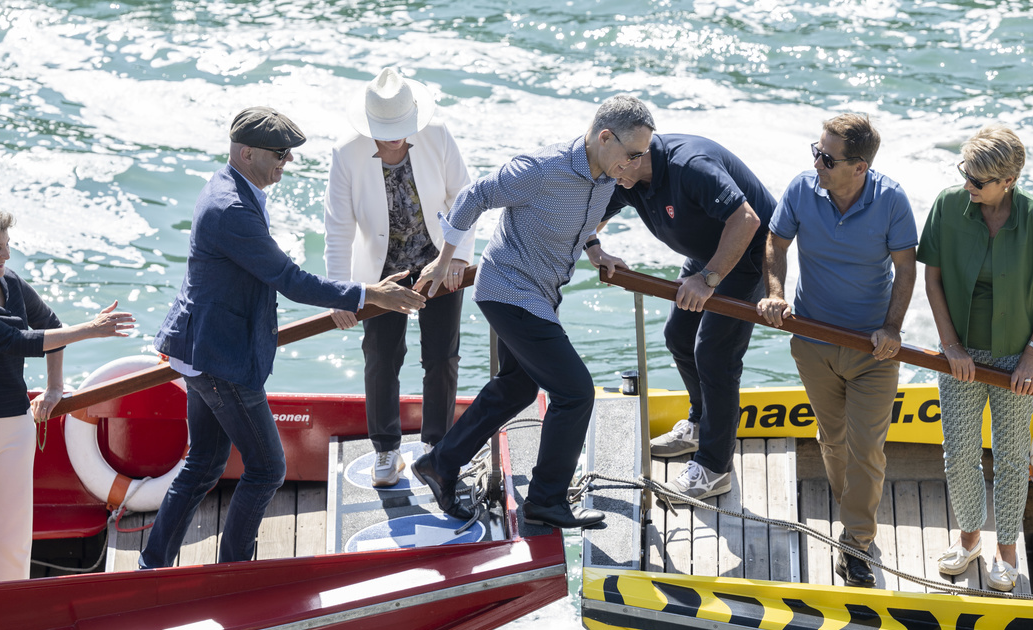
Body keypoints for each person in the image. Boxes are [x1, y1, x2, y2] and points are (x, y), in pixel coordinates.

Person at [139, 107, 424, 569]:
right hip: (220, 358)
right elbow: (289, 279)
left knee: (205, 464)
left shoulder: (231, 188)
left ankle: (152, 566)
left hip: (199, 348)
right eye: (279, 154)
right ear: (245, 151)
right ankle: (234, 570)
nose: (286, 162)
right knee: (267, 468)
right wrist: (371, 294)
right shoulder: (231, 209)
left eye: (289, 155)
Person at [409, 95, 656, 529]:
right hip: (508, 290)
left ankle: (440, 464)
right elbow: (475, 195)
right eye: (632, 154)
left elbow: (582, 223)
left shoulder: (605, 178)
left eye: (643, 155)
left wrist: (596, 251)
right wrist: (447, 257)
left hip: (541, 296)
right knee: (575, 392)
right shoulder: (540, 170)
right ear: (604, 137)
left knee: (516, 389)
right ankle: (545, 500)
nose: (635, 164)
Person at [0, 198, 136, 587]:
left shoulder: (11, 284)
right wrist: (91, 328)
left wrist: (55, 388)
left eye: (7, 244)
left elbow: (49, 326)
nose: (7, 254)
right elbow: (19, 340)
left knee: (10, 537)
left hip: (14, 425)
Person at [757, 113, 918, 588]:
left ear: (860, 167)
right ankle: (853, 511)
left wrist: (892, 327)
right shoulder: (802, 188)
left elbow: (906, 271)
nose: (816, 163)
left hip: (873, 352)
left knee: (867, 449)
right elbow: (775, 241)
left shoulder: (891, 201)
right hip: (813, 344)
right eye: (816, 150)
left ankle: (856, 543)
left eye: (827, 157)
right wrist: (775, 291)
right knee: (833, 440)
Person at [920, 124, 1033, 592]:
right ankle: (968, 540)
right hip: (960, 353)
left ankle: (1006, 548)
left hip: (1017, 358)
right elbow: (933, 280)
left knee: (1011, 456)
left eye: (978, 180)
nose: (968, 184)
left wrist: (1031, 357)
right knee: (958, 452)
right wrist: (951, 347)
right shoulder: (947, 206)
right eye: (965, 173)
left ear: (1008, 181)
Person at [588, 133, 776, 499]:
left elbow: (747, 221)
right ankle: (700, 422)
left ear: (636, 155)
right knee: (678, 337)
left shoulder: (690, 167)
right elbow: (585, 218)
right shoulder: (625, 175)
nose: (609, 175)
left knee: (714, 354)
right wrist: (596, 251)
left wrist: (709, 279)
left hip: (748, 253)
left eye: (613, 167)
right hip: (707, 252)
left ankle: (714, 468)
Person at [324, 68, 474, 487]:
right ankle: (386, 450)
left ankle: (438, 447)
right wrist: (341, 292)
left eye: (401, 128)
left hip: (438, 262)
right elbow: (338, 226)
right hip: (380, 274)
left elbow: (463, 195)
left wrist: (458, 255)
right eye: (385, 129)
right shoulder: (345, 152)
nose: (395, 137)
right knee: (381, 356)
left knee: (442, 356)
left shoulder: (438, 135)